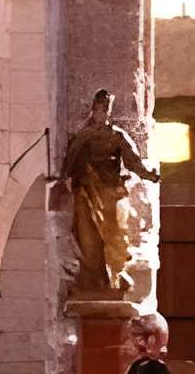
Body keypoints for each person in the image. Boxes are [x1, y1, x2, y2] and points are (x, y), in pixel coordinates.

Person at [57, 87, 161, 301]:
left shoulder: (116, 135)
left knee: (114, 234)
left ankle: (115, 277)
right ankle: (93, 280)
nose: (101, 114)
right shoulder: (85, 135)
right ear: (93, 110)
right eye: (99, 109)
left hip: (109, 192)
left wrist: (148, 174)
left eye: (105, 110)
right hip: (87, 192)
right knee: (88, 237)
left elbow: (132, 160)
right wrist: (65, 179)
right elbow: (71, 158)